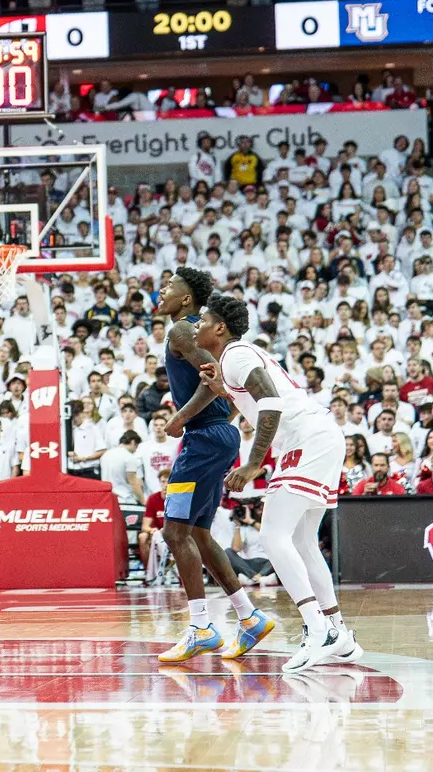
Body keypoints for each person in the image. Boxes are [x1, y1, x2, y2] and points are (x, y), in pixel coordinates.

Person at [193, 294, 361, 673]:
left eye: (203, 319)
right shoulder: (233, 360)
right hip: (316, 435)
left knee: (272, 537)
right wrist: (224, 391)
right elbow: (257, 400)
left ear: (220, 327)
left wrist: (254, 463)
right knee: (301, 541)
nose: (197, 325)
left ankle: (318, 629)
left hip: (306, 438)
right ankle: (338, 631)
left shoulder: (236, 353)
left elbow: (270, 402)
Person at [157, 267, 275, 663]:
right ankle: (249, 616)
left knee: (175, 534)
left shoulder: (181, 330)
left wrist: (181, 418)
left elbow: (214, 381)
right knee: (200, 536)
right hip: (217, 436)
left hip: (204, 438)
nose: (162, 291)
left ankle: (201, 627)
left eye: (169, 287)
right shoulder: (191, 330)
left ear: (187, 299)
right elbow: (219, 384)